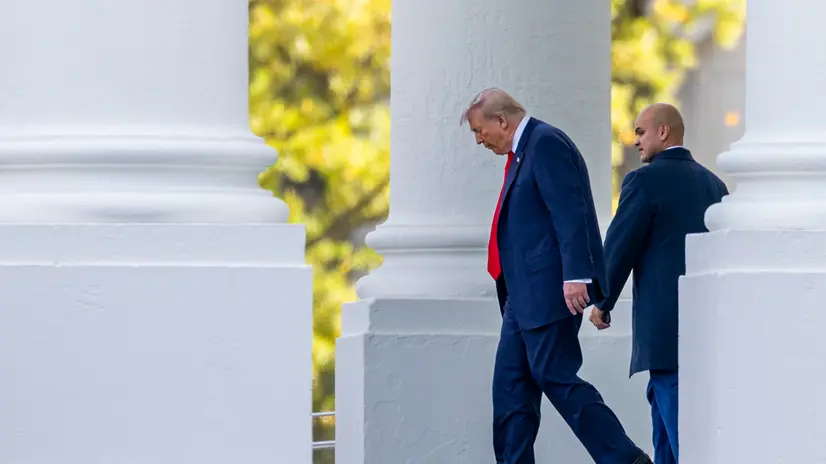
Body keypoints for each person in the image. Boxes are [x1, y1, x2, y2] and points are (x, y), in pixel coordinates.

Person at [462, 87, 652, 464]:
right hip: (521, 296)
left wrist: (576, 275)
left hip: (549, 290)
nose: (479, 140)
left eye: (480, 131)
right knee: (510, 391)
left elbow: (570, 210)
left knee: (555, 377)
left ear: (502, 120)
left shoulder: (545, 142)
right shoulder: (522, 152)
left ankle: (626, 459)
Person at [589, 103, 729, 464]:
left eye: (640, 132)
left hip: (663, 332)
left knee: (678, 437)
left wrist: (601, 300)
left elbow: (621, 245)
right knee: (670, 435)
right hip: (707, 326)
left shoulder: (642, 181)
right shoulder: (716, 184)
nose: (635, 141)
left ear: (663, 132)